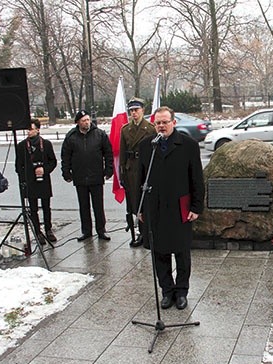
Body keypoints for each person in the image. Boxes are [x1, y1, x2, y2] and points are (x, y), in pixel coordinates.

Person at [138, 106, 204, 310]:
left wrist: (196, 206)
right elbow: (140, 178)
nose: (161, 126)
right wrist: (139, 208)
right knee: (160, 253)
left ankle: (182, 291)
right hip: (155, 207)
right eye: (157, 123)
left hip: (179, 207)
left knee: (182, 252)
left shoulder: (188, 145)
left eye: (165, 122)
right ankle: (167, 291)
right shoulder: (147, 146)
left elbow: (197, 179)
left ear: (173, 123)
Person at [61, 110, 113, 241]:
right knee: (84, 206)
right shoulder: (71, 136)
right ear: (78, 122)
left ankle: (101, 230)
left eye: (88, 120)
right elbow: (65, 156)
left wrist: (108, 170)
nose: (87, 122)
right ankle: (86, 231)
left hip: (96, 176)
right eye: (83, 120)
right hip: (80, 177)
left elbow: (108, 153)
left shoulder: (99, 134)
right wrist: (66, 172)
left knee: (98, 206)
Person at [119, 97, 155, 247]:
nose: (134, 113)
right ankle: (140, 232)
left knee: (146, 201)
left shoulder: (150, 128)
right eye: (131, 111)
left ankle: (149, 231)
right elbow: (122, 153)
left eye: (136, 110)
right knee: (135, 202)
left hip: (146, 167)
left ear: (142, 111)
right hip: (132, 168)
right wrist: (122, 172)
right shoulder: (125, 129)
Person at [16, 118, 58, 244]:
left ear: (38, 130)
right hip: (30, 181)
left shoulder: (46, 144)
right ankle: (37, 231)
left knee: (46, 206)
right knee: (33, 208)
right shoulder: (22, 146)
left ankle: (48, 229)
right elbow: (18, 166)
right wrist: (26, 177)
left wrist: (44, 170)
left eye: (31, 129)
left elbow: (53, 162)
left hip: (43, 180)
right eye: (27, 129)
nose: (28, 132)